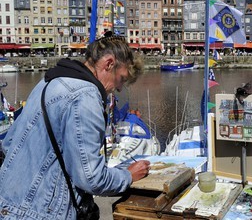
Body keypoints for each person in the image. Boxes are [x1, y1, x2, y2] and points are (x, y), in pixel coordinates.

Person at [0, 35, 151, 219]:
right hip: (39, 213)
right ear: (109, 64)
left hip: (8, 204)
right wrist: (127, 176)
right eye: (121, 79)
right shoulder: (86, 97)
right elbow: (91, 178)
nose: (119, 88)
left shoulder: (47, 82)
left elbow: (9, 144)